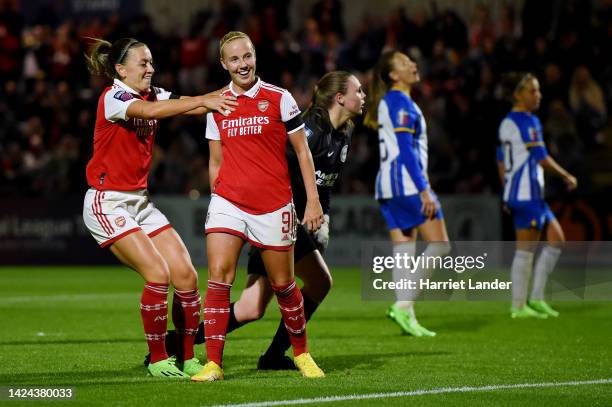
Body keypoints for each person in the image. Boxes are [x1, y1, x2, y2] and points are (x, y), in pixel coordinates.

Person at [146, 71, 366, 370]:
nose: (363, 96)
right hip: (275, 214)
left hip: (291, 220)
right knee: (317, 282)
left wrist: (321, 213)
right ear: (340, 97)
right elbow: (279, 165)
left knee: (252, 308)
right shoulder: (312, 129)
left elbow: (323, 182)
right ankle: (273, 354)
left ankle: (180, 342)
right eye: (358, 90)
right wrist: (296, 209)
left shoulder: (344, 132)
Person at [82, 37, 237, 379]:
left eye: (152, 62)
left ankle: (186, 357)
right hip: (107, 202)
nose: (151, 68)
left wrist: (223, 100)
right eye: (143, 63)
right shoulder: (114, 97)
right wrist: (203, 101)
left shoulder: (153, 93)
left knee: (186, 276)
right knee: (158, 274)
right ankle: (157, 359)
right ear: (121, 69)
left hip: (139, 201)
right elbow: (151, 112)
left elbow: (186, 106)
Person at [191, 31, 325, 382]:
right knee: (219, 278)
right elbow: (215, 160)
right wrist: (218, 194)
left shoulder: (279, 98)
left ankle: (302, 353)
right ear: (224, 64)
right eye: (234, 59)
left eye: (247, 56)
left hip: (273, 205)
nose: (242, 64)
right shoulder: (217, 104)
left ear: (255, 55)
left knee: (284, 284)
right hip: (229, 203)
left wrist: (311, 200)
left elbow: (302, 152)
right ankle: (214, 364)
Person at [364, 50, 451, 337]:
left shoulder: (393, 101)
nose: (413, 64)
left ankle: (407, 317)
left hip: (388, 185)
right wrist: (424, 190)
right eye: (404, 63)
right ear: (392, 75)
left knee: (404, 252)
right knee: (440, 245)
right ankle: (403, 306)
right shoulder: (400, 101)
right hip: (406, 184)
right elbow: (405, 150)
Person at [496, 72, 577, 319]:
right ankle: (519, 306)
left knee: (556, 240)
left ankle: (537, 298)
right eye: (533, 91)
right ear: (517, 95)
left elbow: (500, 160)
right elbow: (541, 158)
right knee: (526, 250)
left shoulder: (506, 123)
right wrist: (566, 175)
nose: (538, 95)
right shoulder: (527, 121)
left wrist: (506, 191)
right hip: (526, 192)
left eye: (538, 90)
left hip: (525, 193)